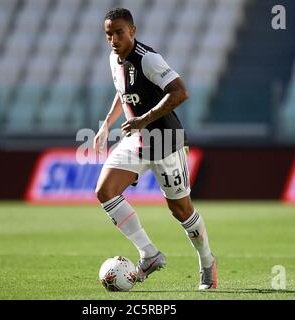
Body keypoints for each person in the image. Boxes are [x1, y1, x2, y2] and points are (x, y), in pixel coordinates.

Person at [93, 8, 217, 290]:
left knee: (181, 210)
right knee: (105, 191)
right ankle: (149, 254)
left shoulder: (148, 59)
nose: (113, 39)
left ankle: (207, 261)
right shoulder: (115, 59)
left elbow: (180, 92)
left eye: (119, 33)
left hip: (165, 141)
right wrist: (106, 125)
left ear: (133, 31)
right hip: (137, 139)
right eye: (109, 34)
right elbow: (123, 91)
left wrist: (143, 119)